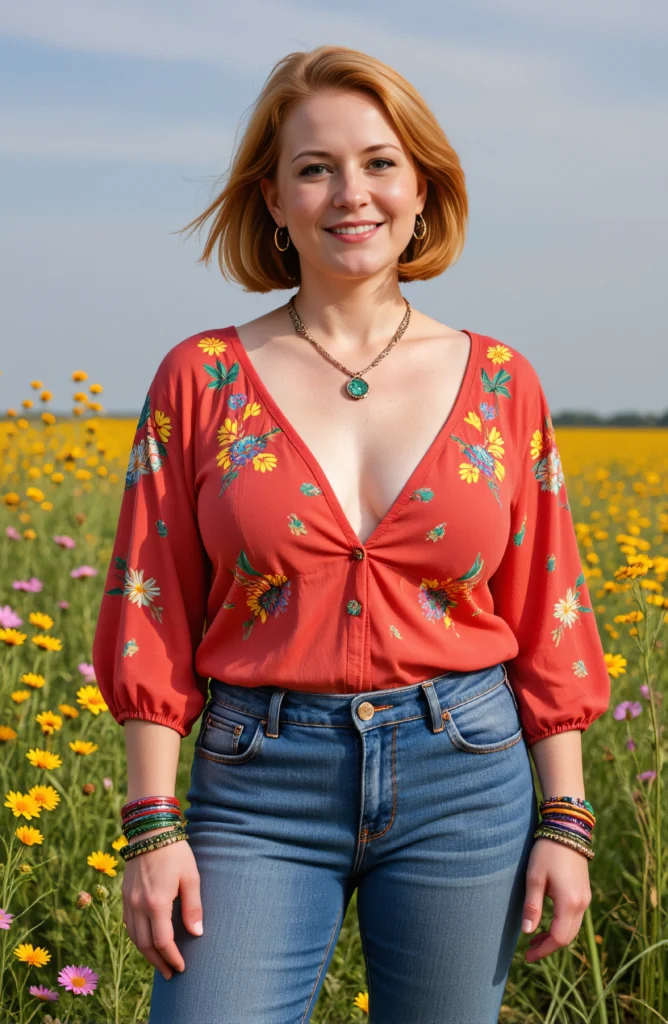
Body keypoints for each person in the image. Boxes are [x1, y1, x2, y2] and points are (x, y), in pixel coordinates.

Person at [91, 44, 611, 1024]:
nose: (349, 193)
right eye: (313, 167)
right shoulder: (198, 379)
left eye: (377, 162)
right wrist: (151, 826)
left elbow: (550, 604)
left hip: (466, 776)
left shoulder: (501, 381)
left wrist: (566, 819)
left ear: (422, 187)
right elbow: (148, 605)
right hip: (257, 784)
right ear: (273, 200)